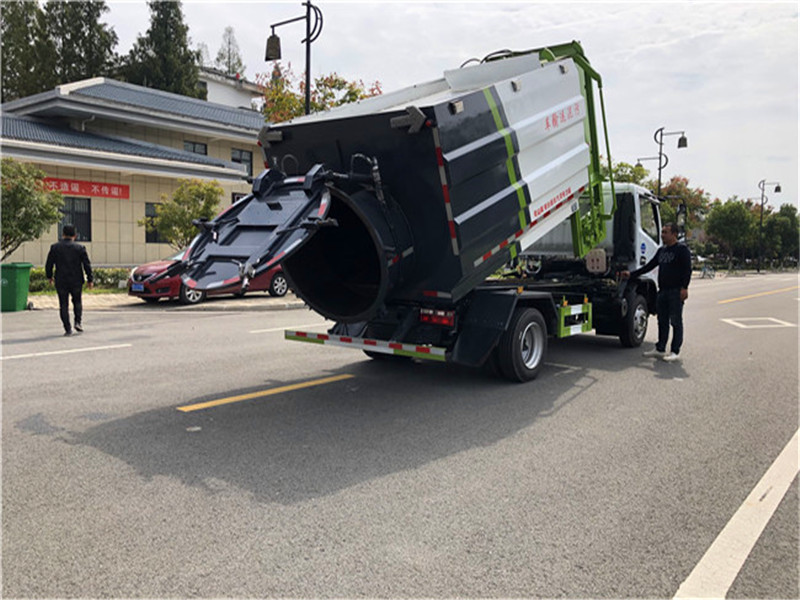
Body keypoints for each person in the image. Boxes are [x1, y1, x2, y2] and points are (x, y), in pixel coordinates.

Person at [621, 222, 692, 362]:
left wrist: (684, 287)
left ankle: (675, 351)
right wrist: (631, 274)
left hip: (675, 291)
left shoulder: (682, 250)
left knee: (676, 321)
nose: (662, 235)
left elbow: (687, 270)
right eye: (662, 232)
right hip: (663, 291)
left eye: (666, 232)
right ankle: (660, 348)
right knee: (662, 321)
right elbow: (649, 266)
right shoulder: (662, 251)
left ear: (674, 234)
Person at [45, 224, 94, 336]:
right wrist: (90, 279)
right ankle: (78, 322)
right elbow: (87, 264)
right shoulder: (80, 248)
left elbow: (49, 264)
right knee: (77, 301)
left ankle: (67, 328)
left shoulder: (55, 248)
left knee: (63, 304)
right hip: (76, 280)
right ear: (75, 236)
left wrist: (49, 276)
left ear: (63, 235)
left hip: (61, 280)